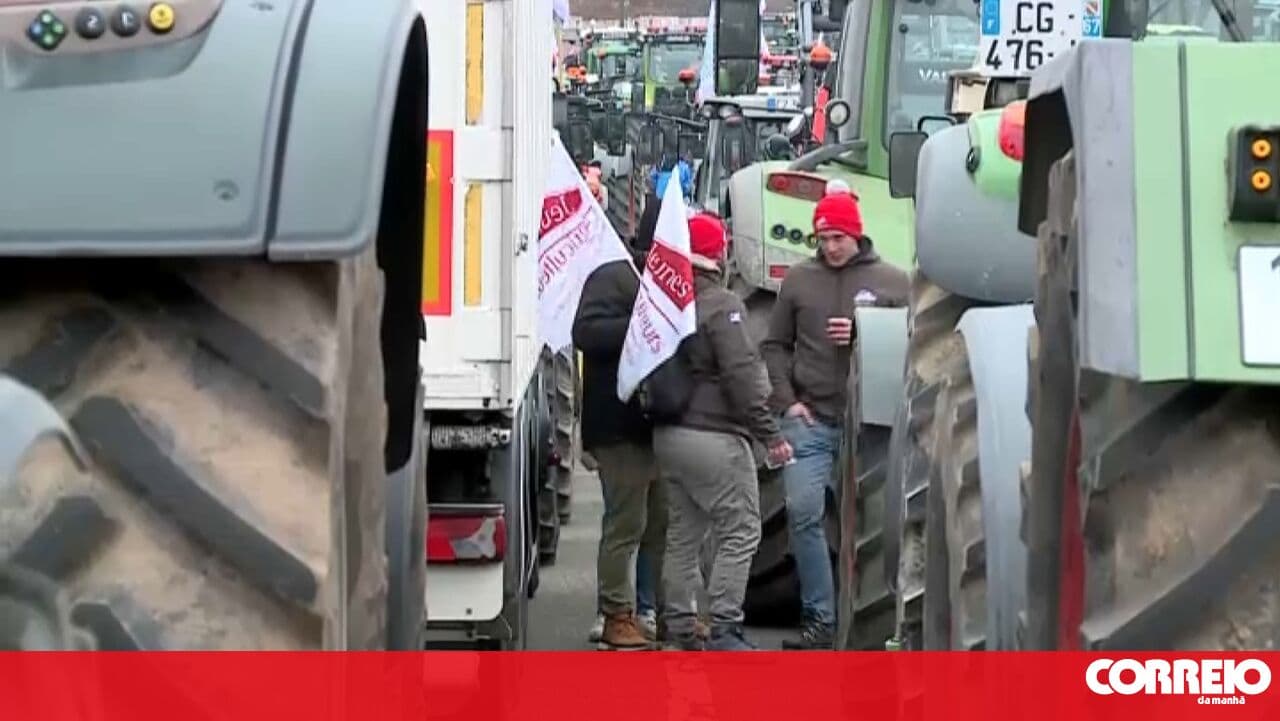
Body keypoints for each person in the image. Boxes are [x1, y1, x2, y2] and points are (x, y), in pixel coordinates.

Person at [761, 185, 910, 649]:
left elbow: (916, 340)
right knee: (803, 513)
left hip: (871, 425)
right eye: (823, 238)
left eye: (838, 238)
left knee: (873, 523)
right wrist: (788, 400)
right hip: (810, 420)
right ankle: (820, 620)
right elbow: (774, 345)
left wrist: (868, 329)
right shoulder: (799, 281)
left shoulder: (894, 282)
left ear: (856, 234)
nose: (830, 247)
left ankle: (874, 625)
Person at [656, 212, 793, 651]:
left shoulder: (664, 299)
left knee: (684, 532)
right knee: (741, 528)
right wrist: (771, 435)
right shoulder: (723, 304)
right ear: (719, 252)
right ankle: (725, 628)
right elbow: (741, 375)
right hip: (714, 437)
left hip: (669, 435)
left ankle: (679, 625)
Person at [573, 211, 667, 651]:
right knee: (625, 524)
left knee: (658, 525)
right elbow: (585, 333)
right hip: (618, 425)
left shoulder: (669, 284)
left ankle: (650, 611)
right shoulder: (613, 275)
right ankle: (614, 614)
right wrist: (641, 323)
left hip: (657, 424)